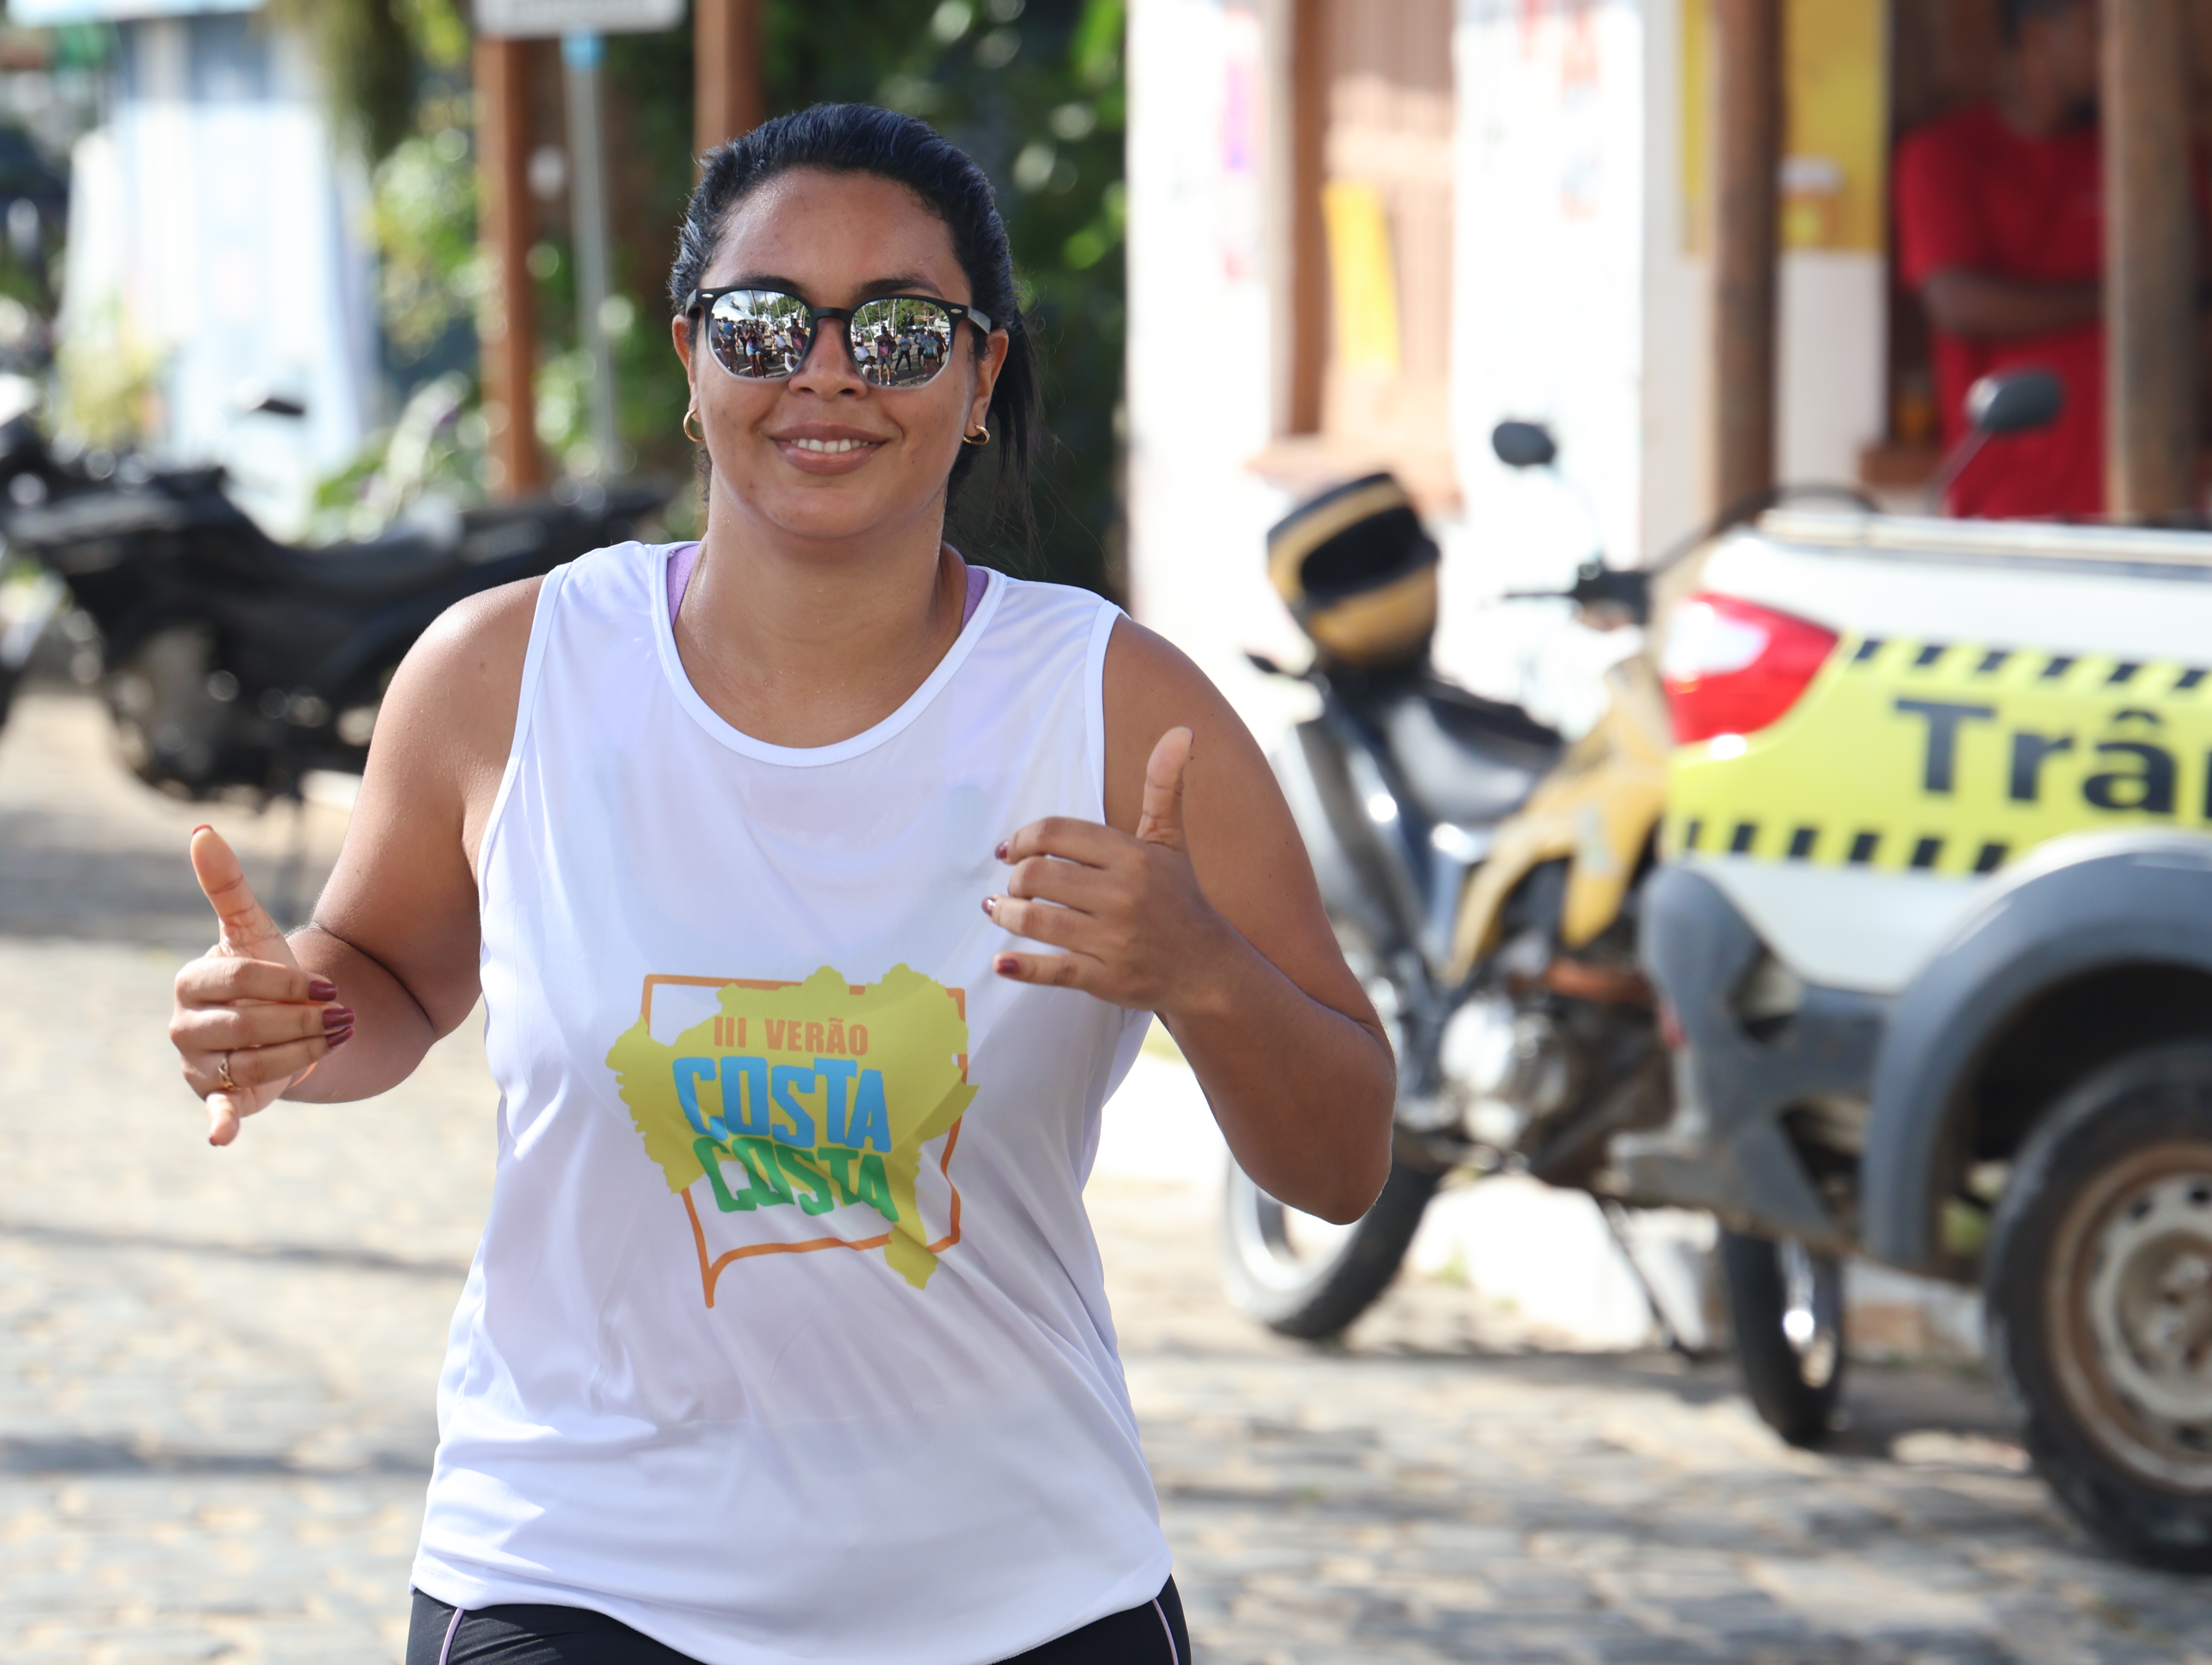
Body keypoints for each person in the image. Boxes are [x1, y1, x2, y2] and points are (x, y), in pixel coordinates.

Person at [166, 104, 1394, 1665]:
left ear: (980, 374)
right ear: (691, 358)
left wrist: (1202, 970)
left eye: (895, 330)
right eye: (764, 322)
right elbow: (393, 979)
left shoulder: (1117, 709)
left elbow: (1344, 1158)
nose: (823, 371)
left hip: (1022, 1592)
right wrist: (288, 1022)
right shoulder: (507, 671)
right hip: (572, 1566)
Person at [1894, 0, 2106, 517]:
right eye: (2099, 30)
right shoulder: (1943, 155)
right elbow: (1960, 305)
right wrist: (2126, 297)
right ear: (2036, 36)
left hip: (2148, 502)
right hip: (2003, 506)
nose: (2117, 52)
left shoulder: (2149, 159)